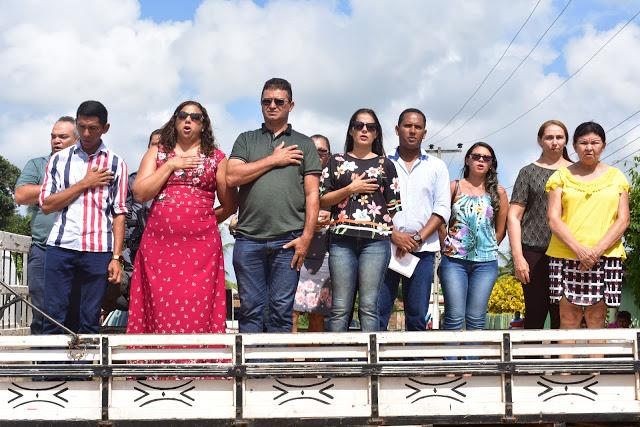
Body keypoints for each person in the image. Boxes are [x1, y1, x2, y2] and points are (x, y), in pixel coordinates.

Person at [126, 101, 236, 335]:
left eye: (195, 117)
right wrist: (170, 165)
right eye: (182, 115)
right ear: (174, 121)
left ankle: (197, 367)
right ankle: (159, 368)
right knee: (160, 303)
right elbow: (140, 192)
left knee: (198, 303)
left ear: (204, 125)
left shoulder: (217, 158)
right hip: (159, 246)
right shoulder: (157, 153)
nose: (188, 120)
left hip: (201, 249)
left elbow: (229, 205)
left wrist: (202, 222)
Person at [227, 78, 322, 333]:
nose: (272, 105)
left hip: (288, 240)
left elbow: (313, 194)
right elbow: (232, 177)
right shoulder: (246, 140)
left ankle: (274, 371)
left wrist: (306, 238)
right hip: (249, 239)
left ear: (291, 105)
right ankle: (248, 372)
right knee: (250, 308)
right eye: (266, 101)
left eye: (279, 101)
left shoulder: (304, 143)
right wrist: (273, 159)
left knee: (281, 311)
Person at [39, 101, 128, 335]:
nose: (86, 134)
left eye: (93, 128)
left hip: (98, 249)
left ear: (105, 128)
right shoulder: (59, 160)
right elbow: (47, 205)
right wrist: (84, 184)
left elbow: (119, 212)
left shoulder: (117, 164)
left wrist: (116, 257)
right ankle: (52, 372)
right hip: (61, 245)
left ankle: (84, 372)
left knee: (89, 318)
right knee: (54, 316)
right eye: (81, 127)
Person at [320, 108, 401, 332]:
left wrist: (372, 223)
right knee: (339, 307)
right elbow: (322, 200)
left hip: (375, 242)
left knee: (368, 306)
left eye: (370, 127)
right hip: (341, 240)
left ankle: (370, 366)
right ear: (351, 131)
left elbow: (392, 207)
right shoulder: (336, 161)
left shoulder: (386, 165)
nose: (364, 130)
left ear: (376, 133)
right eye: (359, 125)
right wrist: (350, 188)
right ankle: (336, 365)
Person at [546, 121, 630, 330]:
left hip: (606, 255)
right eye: (583, 143)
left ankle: (595, 365)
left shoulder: (617, 177)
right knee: (568, 319)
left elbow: (623, 219)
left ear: (603, 145)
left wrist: (595, 252)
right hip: (566, 253)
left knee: (597, 319)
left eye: (595, 142)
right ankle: (567, 364)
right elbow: (553, 218)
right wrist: (580, 250)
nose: (589, 147)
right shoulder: (561, 176)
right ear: (574, 146)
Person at [378, 108, 450, 332]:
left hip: (424, 249)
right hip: (385, 246)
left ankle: (414, 366)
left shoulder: (436, 166)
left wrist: (417, 239)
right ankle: (375, 367)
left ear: (424, 132)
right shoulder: (382, 162)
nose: (412, 131)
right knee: (378, 312)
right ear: (397, 129)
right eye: (407, 126)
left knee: (417, 315)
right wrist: (395, 235)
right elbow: (374, 205)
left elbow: (442, 208)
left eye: (417, 127)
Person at [14, 116, 78, 334]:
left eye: (63, 136)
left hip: (76, 250)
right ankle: (42, 366)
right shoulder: (37, 164)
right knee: (42, 313)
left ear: (77, 139)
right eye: (53, 136)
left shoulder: (85, 166)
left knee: (74, 313)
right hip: (43, 249)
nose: (56, 141)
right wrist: (70, 189)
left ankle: (72, 367)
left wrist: (44, 192)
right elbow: (21, 194)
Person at [507, 120, 573, 329]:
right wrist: (518, 257)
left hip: (568, 251)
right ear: (540, 140)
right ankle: (530, 361)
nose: (554, 142)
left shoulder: (576, 172)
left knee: (563, 315)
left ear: (566, 140)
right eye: (549, 137)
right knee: (535, 312)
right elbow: (514, 216)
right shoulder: (527, 172)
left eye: (559, 137)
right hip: (534, 251)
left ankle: (559, 361)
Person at [439, 142, 508, 332]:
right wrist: (447, 243)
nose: (481, 161)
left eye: (486, 158)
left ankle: (474, 361)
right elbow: (440, 221)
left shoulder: (498, 192)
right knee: (454, 316)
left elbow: (501, 230)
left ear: (491, 164)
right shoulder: (454, 187)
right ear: (467, 159)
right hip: (454, 261)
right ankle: (450, 360)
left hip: (485, 263)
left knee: (477, 318)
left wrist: (487, 247)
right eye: (476, 156)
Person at [292, 135, 333, 332]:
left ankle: (314, 362)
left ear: (329, 155)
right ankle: (287, 361)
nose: (317, 155)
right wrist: (307, 222)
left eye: (322, 152)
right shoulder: (294, 177)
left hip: (323, 256)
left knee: (317, 314)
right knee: (291, 313)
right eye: (312, 150)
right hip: (296, 251)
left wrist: (330, 219)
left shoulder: (337, 180)